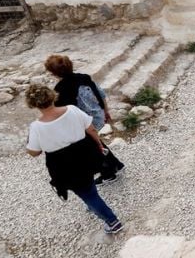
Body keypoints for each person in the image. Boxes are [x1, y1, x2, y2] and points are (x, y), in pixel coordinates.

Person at [25, 83, 124, 234]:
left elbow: (34, 152)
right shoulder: (72, 109)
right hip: (85, 154)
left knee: (86, 193)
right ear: (52, 96)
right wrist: (99, 146)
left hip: (63, 164)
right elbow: (90, 129)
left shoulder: (36, 127)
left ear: (33, 104)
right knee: (87, 184)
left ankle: (113, 222)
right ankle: (92, 204)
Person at [44, 55, 124, 185]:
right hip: (98, 115)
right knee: (96, 141)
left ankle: (108, 173)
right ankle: (116, 164)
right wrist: (105, 110)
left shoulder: (60, 89)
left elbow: (62, 112)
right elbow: (100, 93)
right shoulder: (84, 77)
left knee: (93, 146)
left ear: (53, 73)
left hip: (83, 123)